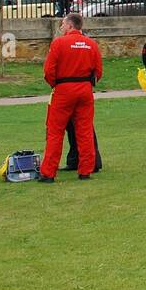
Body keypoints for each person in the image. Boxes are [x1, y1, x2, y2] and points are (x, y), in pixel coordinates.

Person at [39, 12, 103, 183]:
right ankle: (85, 170)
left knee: (55, 131)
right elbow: (98, 72)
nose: (61, 27)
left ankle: (48, 172)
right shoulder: (91, 44)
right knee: (85, 130)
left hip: (64, 89)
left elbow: (48, 70)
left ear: (69, 26)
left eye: (63, 24)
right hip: (85, 89)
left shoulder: (59, 42)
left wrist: (55, 84)